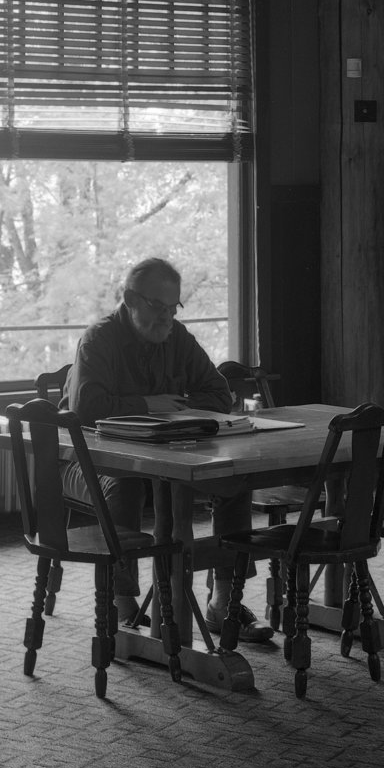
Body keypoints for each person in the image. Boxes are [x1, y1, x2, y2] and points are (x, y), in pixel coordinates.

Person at [60, 259, 257, 641]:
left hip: (167, 456)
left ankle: (223, 601)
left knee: (234, 479)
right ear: (130, 299)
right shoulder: (98, 339)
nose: (166, 319)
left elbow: (219, 393)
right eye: (157, 308)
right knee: (126, 484)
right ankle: (124, 604)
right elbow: (87, 408)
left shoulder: (176, 336)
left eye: (173, 309)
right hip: (87, 461)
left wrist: (181, 405)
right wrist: (152, 404)